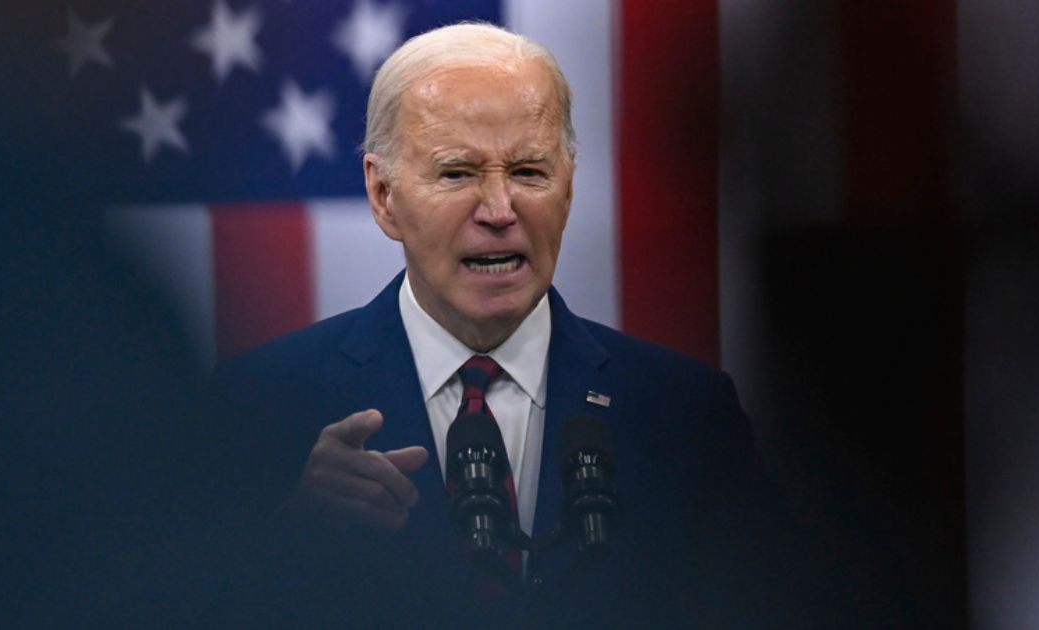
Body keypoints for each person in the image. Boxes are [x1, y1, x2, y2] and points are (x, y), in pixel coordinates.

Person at [209, 22, 791, 628]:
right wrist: (292, 536)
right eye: (457, 173)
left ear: (567, 189)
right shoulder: (258, 404)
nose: (498, 211)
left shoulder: (686, 414)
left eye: (529, 172)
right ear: (383, 196)